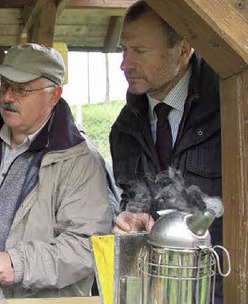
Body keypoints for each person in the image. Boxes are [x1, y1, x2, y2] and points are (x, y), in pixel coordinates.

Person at [0, 43, 113, 298]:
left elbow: (88, 245)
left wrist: (20, 263)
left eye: (21, 89)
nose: (8, 97)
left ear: (54, 95)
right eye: (5, 86)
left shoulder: (79, 159)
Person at [110, 0, 222, 301]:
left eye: (140, 51)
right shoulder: (123, 128)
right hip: (154, 291)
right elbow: (132, 198)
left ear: (183, 49)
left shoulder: (232, 111)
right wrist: (130, 217)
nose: (125, 64)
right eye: (124, 49)